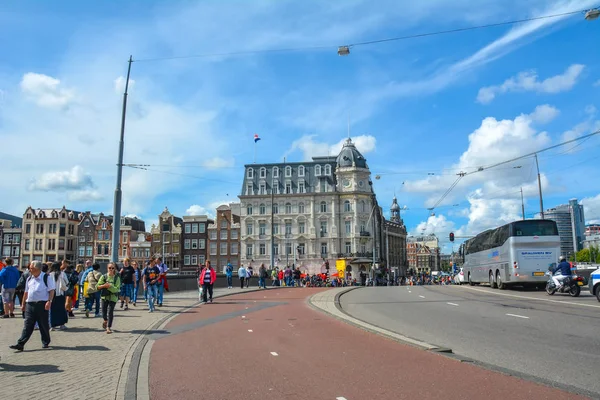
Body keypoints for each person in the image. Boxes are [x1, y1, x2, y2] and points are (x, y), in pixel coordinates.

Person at [9, 260, 55, 351]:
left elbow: (51, 290)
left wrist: (49, 301)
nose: (29, 270)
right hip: (30, 304)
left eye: (31, 268)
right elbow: (26, 292)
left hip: (42, 304)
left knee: (43, 324)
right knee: (27, 324)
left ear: (37, 269)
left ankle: (45, 341)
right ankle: (20, 344)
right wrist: (23, 303)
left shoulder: (46, 277)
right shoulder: (29, 278)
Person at [97, 262, 121, 334]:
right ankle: (105, 320)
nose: (111, 269)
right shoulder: (104, 277)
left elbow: (117, 289)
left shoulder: (117, 278)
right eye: (109, 268)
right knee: (104, 311)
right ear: (107, 268)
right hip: (104, 296)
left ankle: (108, 327)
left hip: (113, 297)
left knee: (110, 311)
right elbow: (97, 286)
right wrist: (104, 286)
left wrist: (110, 286)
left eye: (112, 268)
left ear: (114, 269)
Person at [50, 262, 69, 330]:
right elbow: (67, 282)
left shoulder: (50, 274)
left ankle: (52, 325)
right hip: (60, 293)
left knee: (52, 310)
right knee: (61, 309)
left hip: (52, 294)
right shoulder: (62, 274)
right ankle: (62, 324)